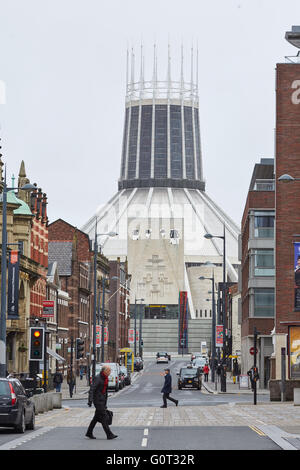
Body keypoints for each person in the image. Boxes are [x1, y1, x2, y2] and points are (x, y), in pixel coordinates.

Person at [86, 365, 117, 440]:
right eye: (109, 371)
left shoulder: (105, 378)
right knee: (104, 417)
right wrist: (90, 400)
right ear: (104, 371)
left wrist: (105, 402)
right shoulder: (98, 378)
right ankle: (109, 434)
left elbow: (104, 392)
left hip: (102, 401)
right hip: (98, 401)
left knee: (96, 418)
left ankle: (89, 432)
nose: (110, 372)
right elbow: (92, 389)